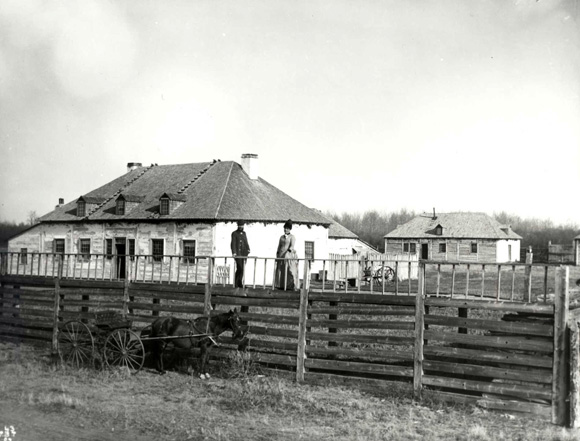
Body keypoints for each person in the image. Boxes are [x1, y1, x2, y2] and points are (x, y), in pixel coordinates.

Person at [275, 219, 300, 291]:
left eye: (287, 228)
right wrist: (277, 254)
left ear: (290, 229)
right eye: (285, 228)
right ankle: (280, 284)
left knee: (288, 270)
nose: (286, 230)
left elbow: (292, 246)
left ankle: (289, 285)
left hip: (288, 256)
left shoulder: (292, 237)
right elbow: (279, 246)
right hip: (281, 255)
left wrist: (287, 253)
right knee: (281, 270)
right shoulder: (281, 237)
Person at [231, 220, 250, 288]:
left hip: (244, 254)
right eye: (240, 225)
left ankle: (240, 283)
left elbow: (246, 241)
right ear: (238, 225)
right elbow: (233, 244)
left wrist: (248, 249)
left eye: (242, 225)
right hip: (238, 254)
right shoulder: (234, 233)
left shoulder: (244, 233)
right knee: (240, 268)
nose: (241, 226)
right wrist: (234, 252)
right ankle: (236, 283)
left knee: (243, 268)